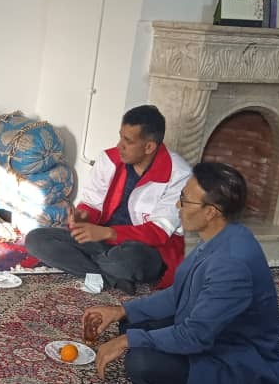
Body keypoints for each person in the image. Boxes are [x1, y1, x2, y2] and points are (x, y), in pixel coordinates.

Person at [82, 162, 279, 384]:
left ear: (211, 212)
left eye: (185, 201)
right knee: (131, 323)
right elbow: (178, 294)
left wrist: (127, 342)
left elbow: (195, 336)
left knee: (140, 361)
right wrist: (121, 310)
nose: (178, 206)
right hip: (211, 334)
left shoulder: (231, 265)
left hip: (235, 364)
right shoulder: (221, 236)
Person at [24, 104, 191, 294]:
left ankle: (95, 267)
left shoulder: (179, 175)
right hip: (102, 242)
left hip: (145, 251)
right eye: (120, 136)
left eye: (128, 141)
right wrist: (82, 216)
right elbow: (92, 202)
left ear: (149, 147)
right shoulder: (109, 159)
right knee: (36, 240)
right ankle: (112, 277)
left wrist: (107, 233)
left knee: (127, 261)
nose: (119, 145)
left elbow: (158, 233)